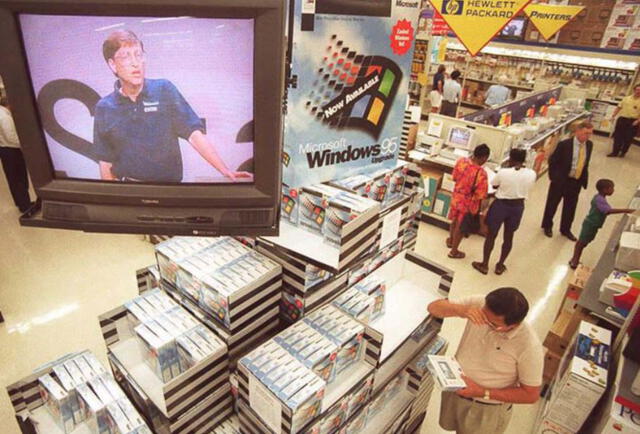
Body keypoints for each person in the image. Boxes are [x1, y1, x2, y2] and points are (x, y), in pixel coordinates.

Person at [94, 30, 250, 183]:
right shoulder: (104, 107)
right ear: (112, 65)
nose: (135, 63)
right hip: (129, 189)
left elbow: (193, 134)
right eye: (126, 57)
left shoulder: (164, 89)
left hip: (170, 190)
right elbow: (106, 161)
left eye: (139, 55)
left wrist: (225, 170)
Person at [428, 288, 543, 434]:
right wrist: (461, 310)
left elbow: (531, 395)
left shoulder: (529, 346)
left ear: (513, 326)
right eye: (483, 315)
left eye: (492, 323)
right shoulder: (480, 303)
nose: (484, 322)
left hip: (486, 408)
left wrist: (482, 392)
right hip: (456, 392)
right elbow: (433, 307)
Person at [472, 149, 536, 275]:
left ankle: (484, 264)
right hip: (517, 207)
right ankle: (500, 265)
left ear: (511, 159)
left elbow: (495, 185)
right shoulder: (531, 174)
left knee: (491, 235)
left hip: (501, 205)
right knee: (509, 236)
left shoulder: (504, 172)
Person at [541, 121, 594, 241]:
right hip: (561, 180)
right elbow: (553, 161)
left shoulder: (589, 145)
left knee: (571, 207)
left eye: (590, 134)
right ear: (578, 131)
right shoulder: (564, 145)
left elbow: (585, 163)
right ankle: (547, 225)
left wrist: (582, 179)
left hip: (576, 181)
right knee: (552, 204)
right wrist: (554, 178)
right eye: (586, 133)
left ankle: (565, 229)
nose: (588, 136)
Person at [569, 179, 634, 269]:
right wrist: (627, 210)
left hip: (593, 224)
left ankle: (574, 259)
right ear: (605, 190)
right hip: (590, 224)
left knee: (584, 242)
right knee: (581, 243)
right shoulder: (599, 200)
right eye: (611, 188)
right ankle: (574, 261)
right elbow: (608, 211)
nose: (613, 190)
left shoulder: (600, 198)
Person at [447, 144, 490, 259]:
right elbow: (481, 194)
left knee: (454, 220)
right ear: (484, 158)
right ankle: (454, 251)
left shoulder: (461, 161)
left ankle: (450, 240)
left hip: (456, 197)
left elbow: (454, 177)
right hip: (468, 203)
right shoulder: (481, 173)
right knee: (461, 227)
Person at [0, 97, 33, 213]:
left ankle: (20, 202)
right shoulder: (4, 117)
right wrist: (25, 145)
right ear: (9, 105)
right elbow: (11, 137)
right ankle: (25, 205)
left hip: (5, 150)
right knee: (20, 178)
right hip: (12, 151)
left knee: (12, 178)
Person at [607, 84, 640, 158]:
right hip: (622, 119)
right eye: (637, 90)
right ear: (634, 90)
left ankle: (623, 152)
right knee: (618, 136)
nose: (638, 91)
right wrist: (613, 116)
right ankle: (615, 152)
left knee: (628, 138)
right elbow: (619, 107)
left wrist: (638, 121)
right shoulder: (626, 98)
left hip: (633, 122)